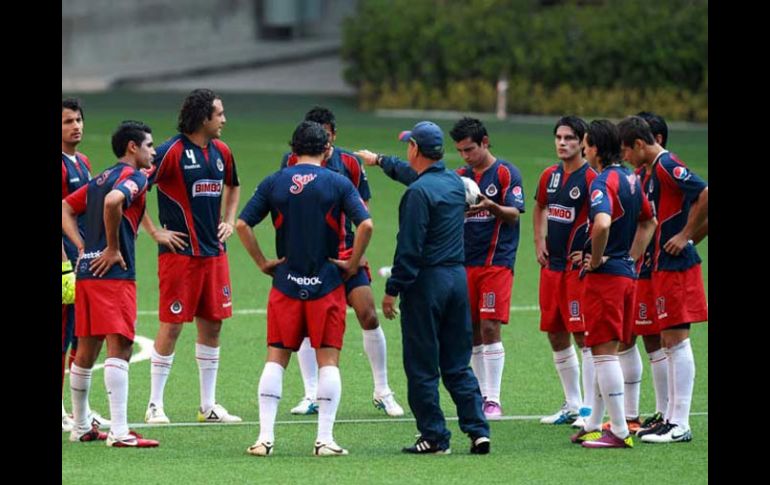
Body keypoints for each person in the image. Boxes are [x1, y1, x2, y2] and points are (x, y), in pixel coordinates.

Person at [357, 117, 524, 420]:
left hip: (495, 261)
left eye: (470, 149)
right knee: (471, 331)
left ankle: (492, 398)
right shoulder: (457, 178)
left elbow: (514, 214)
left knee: (488, 326)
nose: (466, 156)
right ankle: (479, 407)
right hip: (461, 266)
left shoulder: (505, 173)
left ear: (484, 142)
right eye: (460, 151)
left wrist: (490, 206)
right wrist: (379, 160)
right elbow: (413, 175)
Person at [237, 121, 373, 456]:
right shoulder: (338, 183)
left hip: (285, 283)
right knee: (328, 360)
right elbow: (366, 224)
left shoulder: (274, 181)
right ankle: (324, 440)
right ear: (327, 149)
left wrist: (262, 262)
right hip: (326, 284)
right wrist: (353, 264)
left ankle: (265, 439)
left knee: (276, 357)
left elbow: (242, 224)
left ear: (293, 150)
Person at [280, 106, 403, 417]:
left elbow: (363, 210)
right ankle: (311, 394)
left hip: (346, 254)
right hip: (309, 257)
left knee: (368, 315)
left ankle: (382, 391)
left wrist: (355, 253)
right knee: (307, 327)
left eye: (325, 133)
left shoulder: (348, 162)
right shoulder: (291, 162)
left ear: (333, 134)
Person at [376, 121, 490, 454]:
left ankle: (435, 436)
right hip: (457, 279)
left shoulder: (417, 194)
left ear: (414, 149)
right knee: (457, 363)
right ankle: (478, 430)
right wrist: (381, 161)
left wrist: (392, 289)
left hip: (427, 284)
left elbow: (409, 249)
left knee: (422, 365)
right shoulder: (455, 184)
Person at [142, 89, 242, 424]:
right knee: (171, 327)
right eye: (220, 114)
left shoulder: (222, 151)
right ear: (203, 118)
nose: (225, 120)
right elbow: (133, 187)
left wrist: (229, 221)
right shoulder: (169, 152)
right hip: (179, 257)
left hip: (214, 256)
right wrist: (155, 231)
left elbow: (234, 185)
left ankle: (208, 405)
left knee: (212, 326)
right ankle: (155, 405)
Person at [62, 120, 160, 447]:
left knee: (86, 350)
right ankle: (119, 432)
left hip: (87, 272)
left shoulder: (100, 176)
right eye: (148, 145)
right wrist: (113, 248)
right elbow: (113, 202)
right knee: (121, 345)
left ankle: (80, 426)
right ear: (132, 147)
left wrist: (81, 246)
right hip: (113, 275)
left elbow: (64, 207)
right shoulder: (132, 178)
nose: (153, 151)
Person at [618, 115, 708, 444]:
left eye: (626, 151)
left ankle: (680, 423)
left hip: (676, 265)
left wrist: (686, 235)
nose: (625, 157)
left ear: (640, 145)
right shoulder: (653, 170)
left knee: (677, 341)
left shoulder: (668, 164)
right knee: (667, 343)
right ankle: (668, 417)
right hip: (660, 265)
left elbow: (705, 193)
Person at [571, 120, 656, 449]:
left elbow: (603, 223)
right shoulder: (631, 178)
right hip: (626, 275)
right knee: (600, 349)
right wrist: (631, 258)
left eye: (586, 144)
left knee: (604, 354)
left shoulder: (601, 182)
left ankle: (618, 430)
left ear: (594, 148)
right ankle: (595, 422)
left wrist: (595, 259)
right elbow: (649, 221)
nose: (583, 149)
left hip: (606, 279)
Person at [533, 116, 596, 429]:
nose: (562, 143)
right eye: (558, 137)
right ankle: (572, 404)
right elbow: (540, 206)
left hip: (577, 272)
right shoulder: (549, 175)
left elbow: (604, 220)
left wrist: (590, 252)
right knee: (555, 332)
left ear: (583, 141)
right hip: (552, 268)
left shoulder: (591, 178)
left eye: (569, 137)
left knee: (583, 334)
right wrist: (538, 239)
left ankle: (589, 408)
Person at [61, 97, 110, 432]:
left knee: (82, 336)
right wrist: (64, 263)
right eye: (68, 121)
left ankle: (81, 411)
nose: (76, 126)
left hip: (82, 262)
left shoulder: (83, 162)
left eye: (78, 119)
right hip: (66, 262)